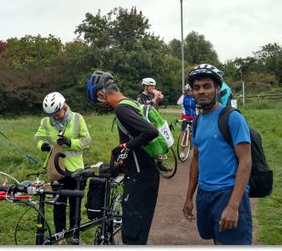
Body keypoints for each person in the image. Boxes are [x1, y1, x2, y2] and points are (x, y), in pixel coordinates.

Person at [86, 71, 160, 245]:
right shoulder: (131, 102)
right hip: (145, 172)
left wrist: (126, 147)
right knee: (138, 229)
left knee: (133, 234)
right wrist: (122, 156)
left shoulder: (121, 108)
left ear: (101, 94)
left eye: (98, 100)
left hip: (140, 177)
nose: (101, 104)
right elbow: (135, 137)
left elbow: (150, 131)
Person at [182, 64, 253, 245]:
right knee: (216, 240)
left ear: (217, 89)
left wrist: (233, 205)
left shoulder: (232, 117)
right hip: (205, 194)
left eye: (207, 86)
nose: (201, 91)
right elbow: (196, 158)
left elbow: (245, 161)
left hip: (228, 193)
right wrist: (189, 197)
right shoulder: (197, 121)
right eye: (196, 88)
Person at [33, 91, 91, 244]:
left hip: (75, 171)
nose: (55, 117)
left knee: (75, 206)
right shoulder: (46, 122)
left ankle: (75, 235)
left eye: (57, 113)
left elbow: (86, 141)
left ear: (64, 107)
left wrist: (70, 142)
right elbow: (38, 138)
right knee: (59, 204)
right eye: (52, 115)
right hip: (57, 170)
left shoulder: (78, 118)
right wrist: (42, 145)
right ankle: (60, 236)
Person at [176, 84, 197, 159]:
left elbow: (199, 106)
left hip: (194, 117)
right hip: (185, 117)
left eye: (192, 90)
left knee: (195, 134)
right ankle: (182, 151)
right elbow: (178, 102)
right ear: (186, 91)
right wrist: (183, 96)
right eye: (189, 90)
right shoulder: (183, 97)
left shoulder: (195, 97)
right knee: (184, 135)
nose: (190, 92)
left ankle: (192, 142)